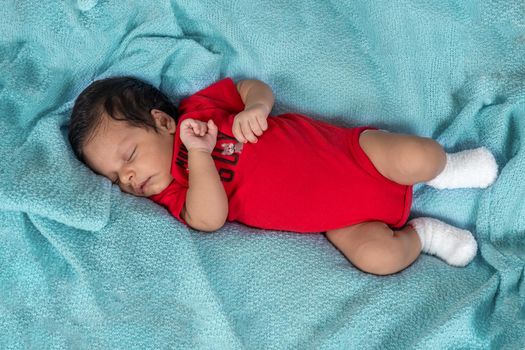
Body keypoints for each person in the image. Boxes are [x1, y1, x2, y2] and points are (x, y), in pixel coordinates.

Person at [68, 76, 498, 275]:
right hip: (341, 222)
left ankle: (448, 170)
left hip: (351, 155)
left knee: (419, 156)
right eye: (114, 177)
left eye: (128, 157)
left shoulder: (201, 110)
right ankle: (424, 235)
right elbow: (210, 218)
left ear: (163, 122)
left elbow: (250, 87)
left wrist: (256, 107)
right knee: (380, 259)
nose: (126, 179)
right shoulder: (174, 195)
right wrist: (198, 158)